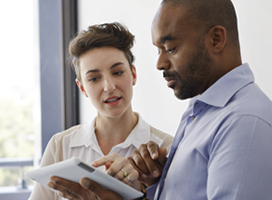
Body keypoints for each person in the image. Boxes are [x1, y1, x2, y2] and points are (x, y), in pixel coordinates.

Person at [55, 0, 272, 199]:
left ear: (216, 40)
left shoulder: (246, 124)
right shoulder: (202, 114)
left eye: (170, 48)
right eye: (158, 50)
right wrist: (155, 185)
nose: (160, 63)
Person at [28, 22, 174, 200]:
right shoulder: (61, 146)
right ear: (82, 88)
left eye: (118, 72)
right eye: (94, 78)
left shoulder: (166, 148)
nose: (109, 86)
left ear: (133, 74)